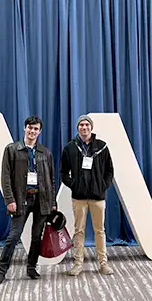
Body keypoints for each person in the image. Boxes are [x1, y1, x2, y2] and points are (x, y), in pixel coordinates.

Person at [0, 115, 57, 285]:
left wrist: (53, 202)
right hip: (21, 199)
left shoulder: (46, 153)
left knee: (37, 236)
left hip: (42, 200)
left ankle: (31, 268)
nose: (32, 131)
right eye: (30, 127)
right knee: (14, 236)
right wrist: (9, 199)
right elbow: (5, 177)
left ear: (40, 131)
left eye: (36, 129)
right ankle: (1, 271)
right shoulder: (12, 149)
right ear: (24, 128)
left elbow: (51, 179)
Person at [60, 115, 115, 276]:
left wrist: (102, 186)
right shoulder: (70, 148)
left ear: (91, 127)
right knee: (79, 231)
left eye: (87, 125)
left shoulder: (102, 147)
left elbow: (109, 171)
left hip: (98, 197)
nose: (84, 127)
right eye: (81, 125)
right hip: (79, 198)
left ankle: (103, 264)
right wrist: (75, 185)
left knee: (100, 231)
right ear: (78, 128)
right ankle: (78, 264)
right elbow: (63, 173)